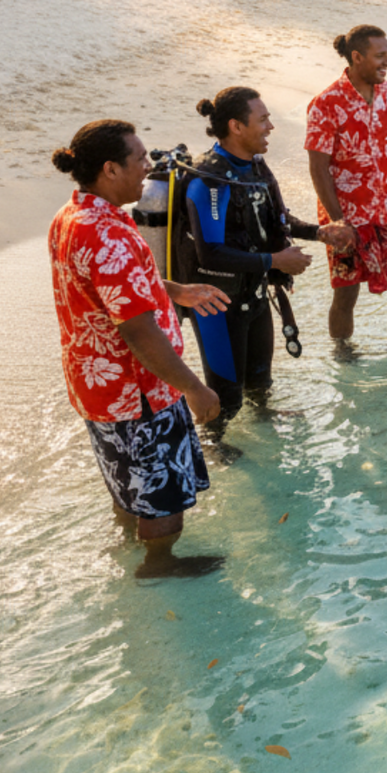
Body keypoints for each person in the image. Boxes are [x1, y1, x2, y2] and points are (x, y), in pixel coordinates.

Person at [49, 120, 230, 579]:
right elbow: (138, 331)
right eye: (140, 159)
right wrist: (193, 389)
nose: (149, 167)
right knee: (161, 490)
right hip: (138, 390)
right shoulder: (106, 233)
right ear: (110, 169)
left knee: (127, 479)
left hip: (97, 384)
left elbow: (111, 287)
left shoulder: (74, 216)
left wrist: (174, 289)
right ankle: (160, 563)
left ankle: (134, 542)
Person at [176, 88, 352, 434]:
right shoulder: (209, 180)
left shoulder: (255, 166)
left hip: (254, 294)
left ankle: (262, 421)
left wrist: (319, 232)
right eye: (263, 119)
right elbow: (209, 252)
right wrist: (275, 260)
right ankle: (214, 445)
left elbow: (277, 219)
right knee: (226, 395)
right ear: (236, 127)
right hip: (217, 304)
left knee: (260, 382)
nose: (271, 126)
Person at [305, 25, 387, 340]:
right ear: (356, 57)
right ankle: (343, 356)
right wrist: (337, 220)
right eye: (380, 56)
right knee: (346, 293)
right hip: (349, 217)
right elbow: (318, 168)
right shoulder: (325, 103)